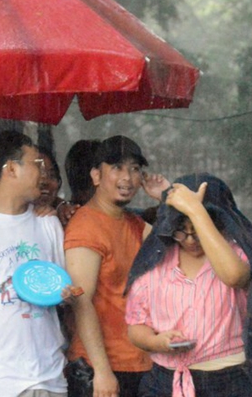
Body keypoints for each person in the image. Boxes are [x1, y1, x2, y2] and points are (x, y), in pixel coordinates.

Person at [125, 174, 252, 397]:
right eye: (181, 230)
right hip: (165, 380)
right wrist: (156, 342)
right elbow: (136, 324)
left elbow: (233, 276)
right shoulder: (156, 260)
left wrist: (195, 210)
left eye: (198, 231)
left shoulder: (234, 254)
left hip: (228, 380)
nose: (190, 240)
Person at [0, 131, 72, 397]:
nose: (42, 174)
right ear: (11, 169)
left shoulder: (48, 223)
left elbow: (65, 292)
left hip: (51, 377)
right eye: (35, 164)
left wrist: (68, 295)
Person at [64, 135, 166, 397]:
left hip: (140, 363)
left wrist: (165, 198)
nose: (128, 177)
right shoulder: (85, 225)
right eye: (117, 168)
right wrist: (102, 371)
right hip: (103, 369)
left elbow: (179, 245)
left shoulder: (133, 223)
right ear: (96, 176)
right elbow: (80, 301)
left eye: (134, 169)